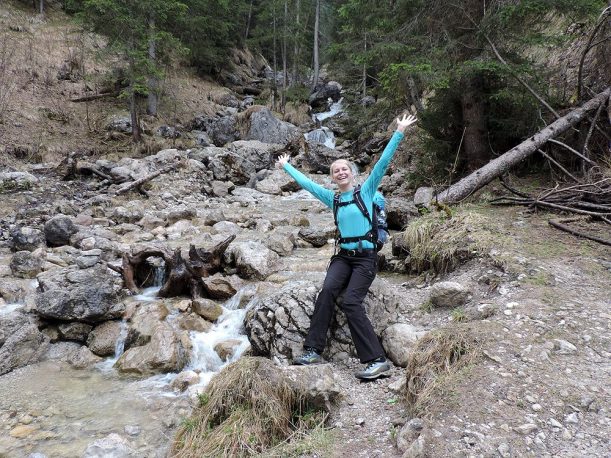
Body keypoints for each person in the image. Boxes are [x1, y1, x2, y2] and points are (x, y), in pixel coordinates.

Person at [276, 113, 417, 380]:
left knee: (351, 301)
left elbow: (382, 163)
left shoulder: (366, 191)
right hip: (343, 257)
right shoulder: (333, 198)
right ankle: (312, 350)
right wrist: (287, 167)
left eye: (344, 169)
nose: (340, 172)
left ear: (351, 174)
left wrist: (399, 131)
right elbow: (307, 185)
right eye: (335, 171)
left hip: (365, 258)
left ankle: (376, 359)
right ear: (332, 178)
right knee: (327, 291)